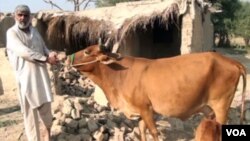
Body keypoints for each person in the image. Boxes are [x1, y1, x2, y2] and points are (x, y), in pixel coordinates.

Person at [6, 4, 58, 141]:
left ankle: (47, 135)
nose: (23, 18)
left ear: (30, 17)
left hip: (41, 75)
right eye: (20, 15)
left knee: (46, 107)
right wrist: (46, 59)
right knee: (31, 113)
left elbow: (43, 47)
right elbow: (23, 52)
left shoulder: (34, 31)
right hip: (26, 78)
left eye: (25, 15)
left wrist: (50, 53)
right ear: (14, 16)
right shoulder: (11, 33)